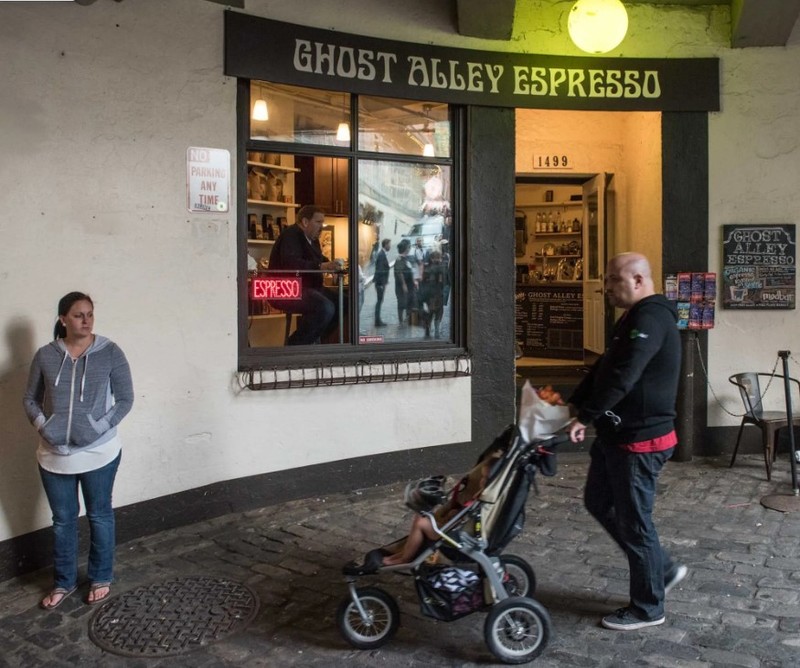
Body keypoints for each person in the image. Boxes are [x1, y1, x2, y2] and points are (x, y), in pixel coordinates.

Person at [566, 252, 687, 631]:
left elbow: (626, 374)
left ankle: (648, 607)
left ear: (637, 280)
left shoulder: (650, 317)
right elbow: (606, 366)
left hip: (641, 439)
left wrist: (586, 416)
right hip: (617, 434)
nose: (606, 288)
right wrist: (577, 402)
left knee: (635, 523)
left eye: (613, 280)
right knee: (598, 501)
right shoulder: (633, 318)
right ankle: (661, 568)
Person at [23, 292, 134, 610]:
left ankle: (101, 576)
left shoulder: (110, 352)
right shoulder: (46, 355)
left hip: (100, 452)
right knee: (63, 520)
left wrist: (97, 428)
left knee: (99, 515)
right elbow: (30, 399)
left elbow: (125, 399)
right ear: (63, 319)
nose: (86, 320)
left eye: (89, 314)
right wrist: (45, 426)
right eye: (78, 315)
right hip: (54, 453)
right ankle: (64, 582)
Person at [268, 204, 342, 345]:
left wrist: (332, 265)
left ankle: (314, 338)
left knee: (344, 302)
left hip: (309, 288)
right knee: (325, 307)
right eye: (318, 222)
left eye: (323, 222)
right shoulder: (290, 235)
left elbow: (318, 259)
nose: (322, 226)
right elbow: (292, 263)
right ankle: (295, 346)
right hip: (286, 289)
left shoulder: (313, 240)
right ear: (305, 222)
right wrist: (322, 266)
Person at [419, 250, 448, 338]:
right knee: (438, 312)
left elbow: (422, 282)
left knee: (430, 312)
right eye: (438, 258)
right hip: (437, 293)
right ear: (433, 258)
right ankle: (436, 331)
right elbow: (443, 282)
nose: (439, 259)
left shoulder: (426, 268)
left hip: (429, 294)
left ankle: (428, 330)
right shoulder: (440, 267)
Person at [393, 238, 415, 325]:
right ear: (406, 248)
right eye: (409, 247)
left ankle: (407, 319)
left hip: (409, 285)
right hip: (402, 286)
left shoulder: (406, 259)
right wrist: (404, 284)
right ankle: (401, 321)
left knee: (409, 301)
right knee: (402, 302)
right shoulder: (400, 259)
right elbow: (399, 272)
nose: (410, 249)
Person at [372, 238, 391, 327]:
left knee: (380, 301)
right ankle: (377, 321)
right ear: (386, 244)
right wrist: (381, 284)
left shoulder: (382, 254)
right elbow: (380, 270)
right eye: (389, 244)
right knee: (379, 301)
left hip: (380, 283)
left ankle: (378, 320)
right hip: (380, 283)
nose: (390, 246)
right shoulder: (381, 255)